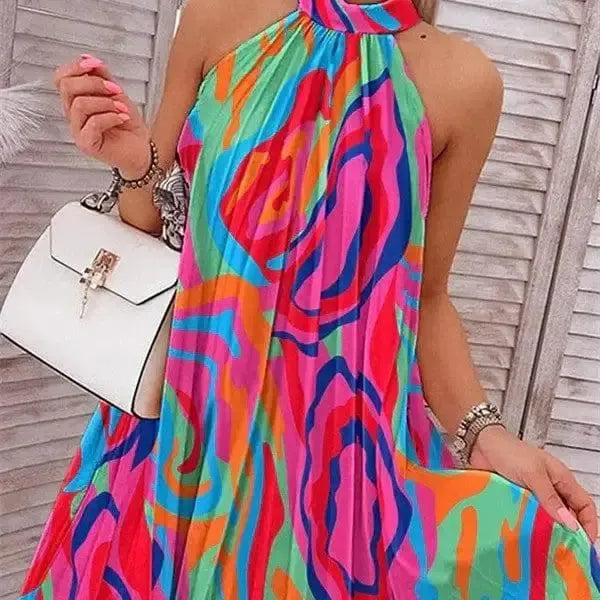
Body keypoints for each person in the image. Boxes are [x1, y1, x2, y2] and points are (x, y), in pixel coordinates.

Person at [19, 0, 600, 597]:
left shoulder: (465, 82)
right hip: (181, 442)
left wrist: (486, 435)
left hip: (337, 482)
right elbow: (154, 222)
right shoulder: (219, 15)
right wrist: (130, 159)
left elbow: (425, 299)